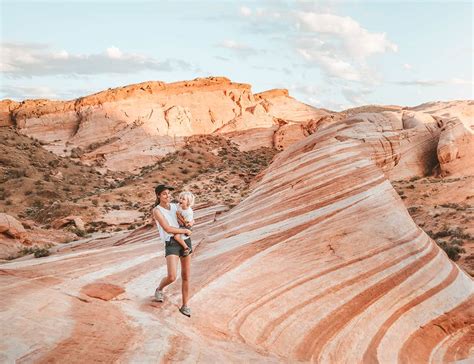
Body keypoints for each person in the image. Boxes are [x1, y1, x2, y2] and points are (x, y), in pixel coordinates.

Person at [152, 184, 193, 317]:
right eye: (164, 194)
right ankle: (159, 289)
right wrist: (184, 230)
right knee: (172, 276)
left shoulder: (176, 206)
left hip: (185, 241)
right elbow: (167, 228)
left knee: (186, 276)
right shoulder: (157, 211)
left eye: (169, 194)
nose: (168, 196)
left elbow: (188, 214)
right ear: (158, 196)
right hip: (172, 243)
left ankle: (185, 305)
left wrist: (191, 223)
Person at [174, 191, 195, 257]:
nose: (180, 200)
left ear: (188, 202)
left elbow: (186, 224)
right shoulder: (178, 205)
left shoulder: (188, 212)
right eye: (180, 198)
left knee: (176, 236)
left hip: (185, 226)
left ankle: (186, 248)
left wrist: (179, 217)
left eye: (183, 199)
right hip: (180, 224)